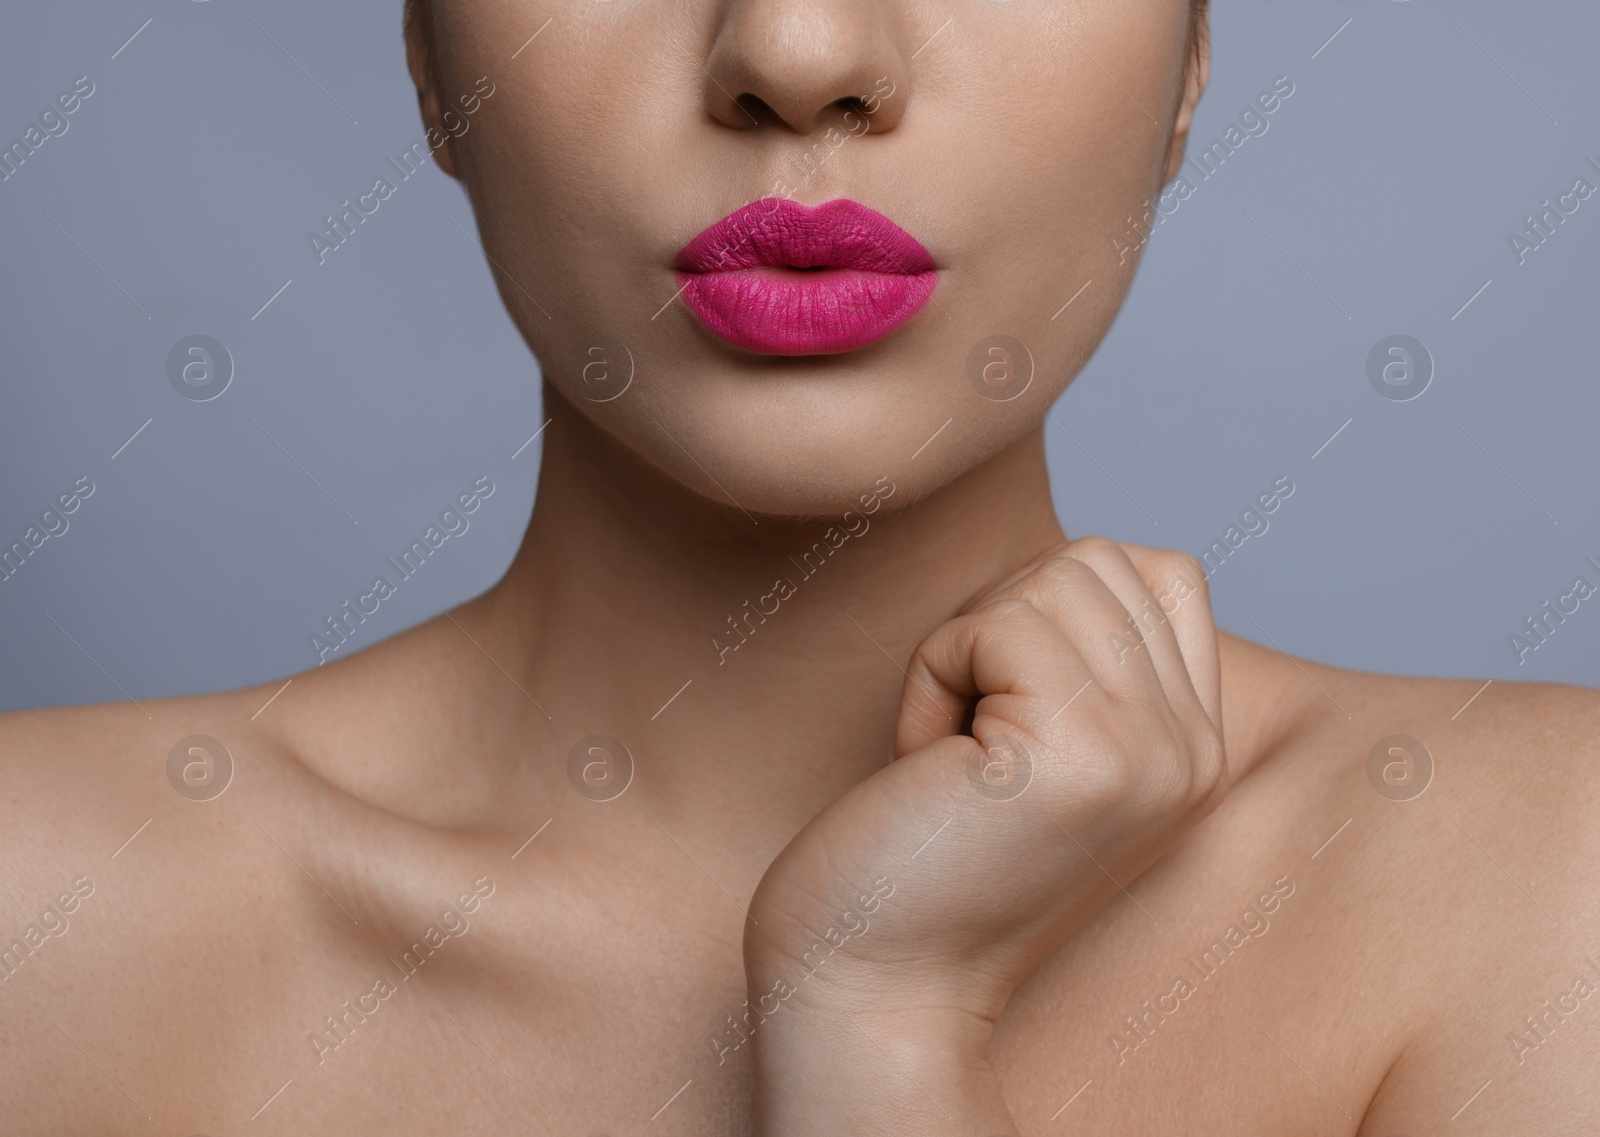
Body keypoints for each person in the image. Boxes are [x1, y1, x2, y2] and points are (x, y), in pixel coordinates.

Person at [3, 0, 1597, 1131]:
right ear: (427, 56)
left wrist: (880, 1034)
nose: (798, 52)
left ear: (1192, 65)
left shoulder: (1542, 888)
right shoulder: (42, 919)